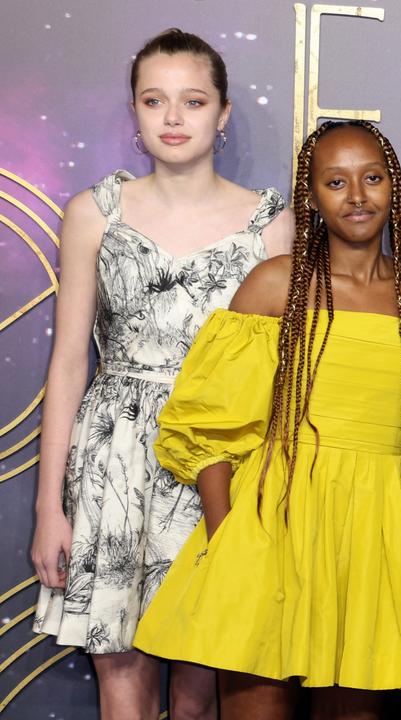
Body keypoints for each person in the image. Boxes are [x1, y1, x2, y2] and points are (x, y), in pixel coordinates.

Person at [132, 120, 401, 719]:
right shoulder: (274, 284)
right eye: (336, 182)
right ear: (311, 197)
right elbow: (210, 427)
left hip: (375, 536)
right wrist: (226, 537)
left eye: (372, 178)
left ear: (393, 186)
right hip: (272, 524)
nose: (358, 196)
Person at [29, 28, 290, 719]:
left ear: (223, 113)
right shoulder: (93, 215)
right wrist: (47, 506)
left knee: (203, 682)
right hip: (113, 457)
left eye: (194, 101)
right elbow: (68, 363)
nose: (173, 119)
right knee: (120, 673)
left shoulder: (271, 226)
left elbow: (279, 376)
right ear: (135, 113)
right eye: (155, 100)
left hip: (219, 460)